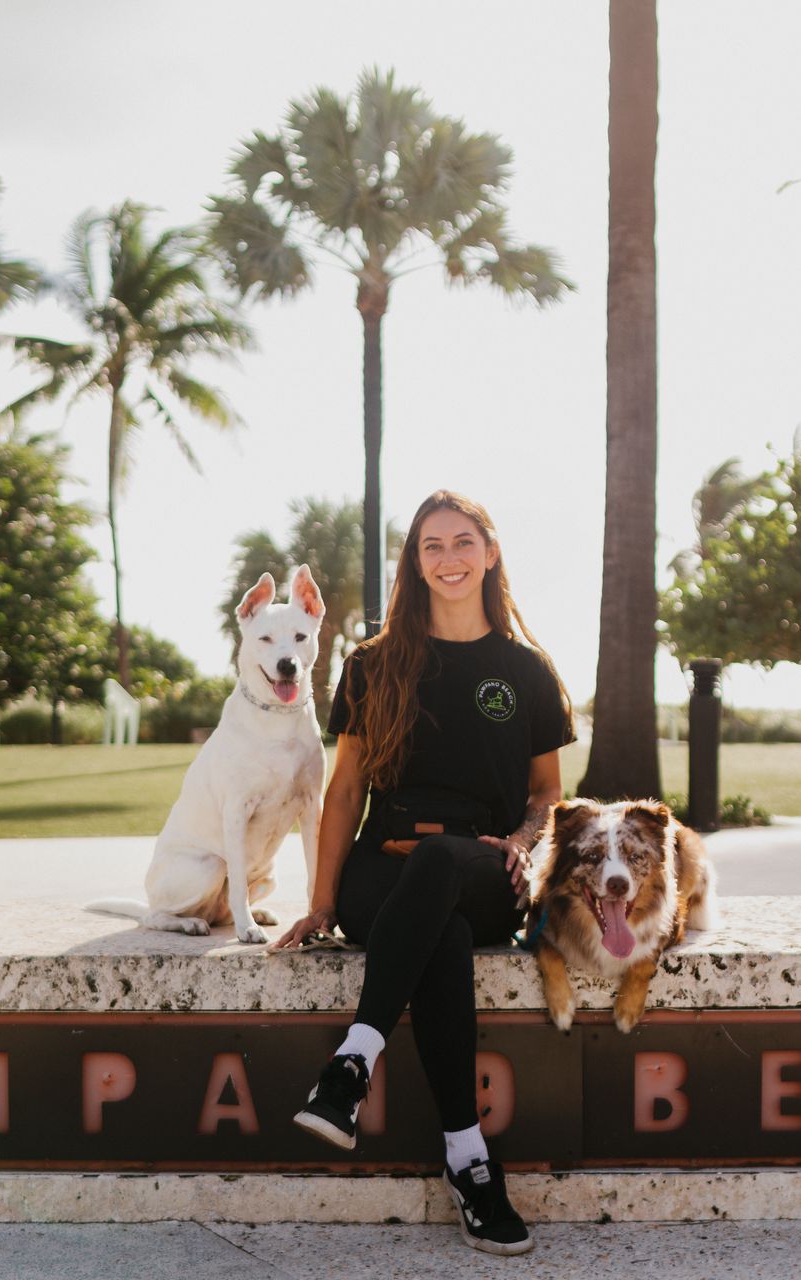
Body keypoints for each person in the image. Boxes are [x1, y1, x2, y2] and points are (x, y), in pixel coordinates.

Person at [269, 490, 573, 1257]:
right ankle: (470, 1163)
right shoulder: (374, 665)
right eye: (430, 546)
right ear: (415, 562)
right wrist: (322, 902)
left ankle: (352, 1061)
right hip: (385, 869)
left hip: (483, 866)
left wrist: (526, 840)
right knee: (438, 933)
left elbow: (546, 793)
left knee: (443, 867)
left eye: (462, 542)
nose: (448, 559)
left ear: (490, 552)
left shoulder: (525, 670)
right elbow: (345, 794)